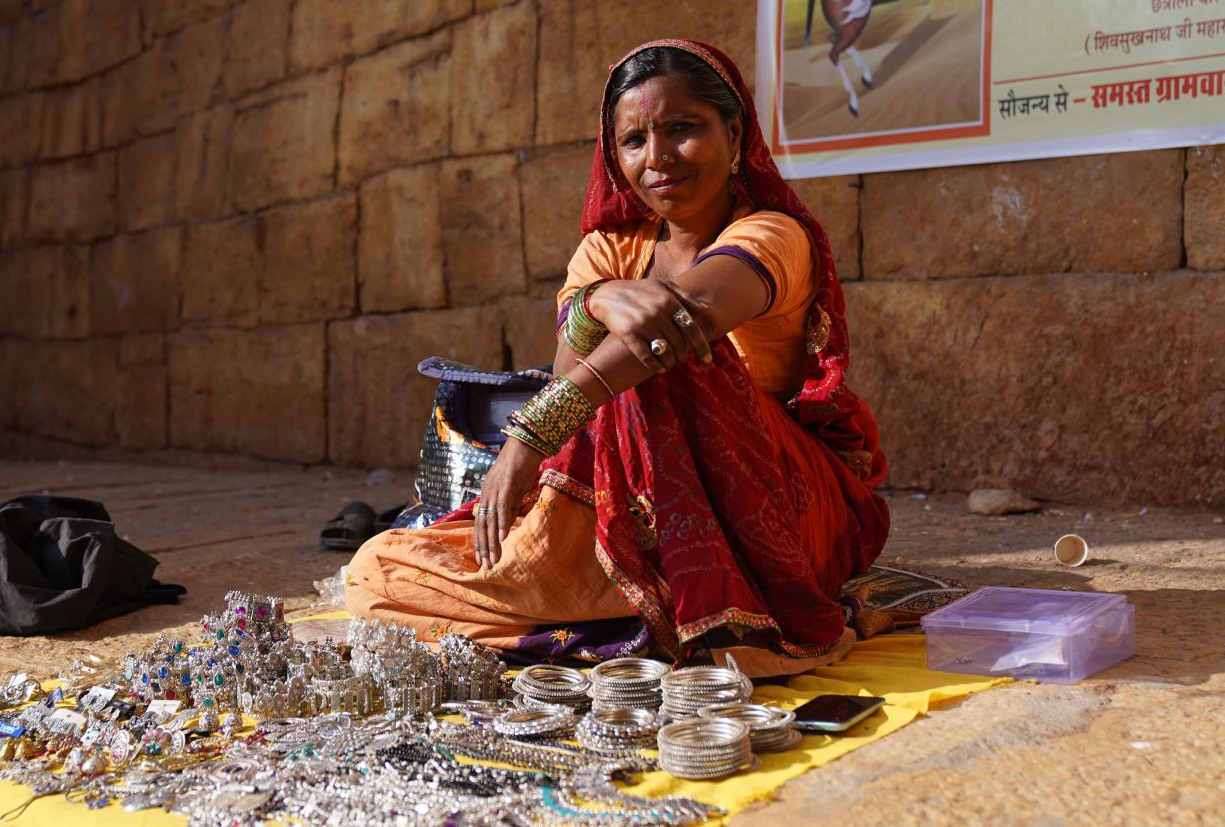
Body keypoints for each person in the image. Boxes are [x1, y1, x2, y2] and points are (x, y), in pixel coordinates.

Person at [344, 40, 889, 678]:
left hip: (780, 511)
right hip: (624, 499)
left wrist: (522, 444)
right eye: (633, 141)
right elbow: (570, 378)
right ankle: (629, 605)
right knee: (375, 569)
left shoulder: (772, 234)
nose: (656, 158)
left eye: (682, 130)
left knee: (669, 355)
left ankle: (684, 611)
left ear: (734, 134)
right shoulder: (607, 251)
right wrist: (598, 297)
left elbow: (672, 328)